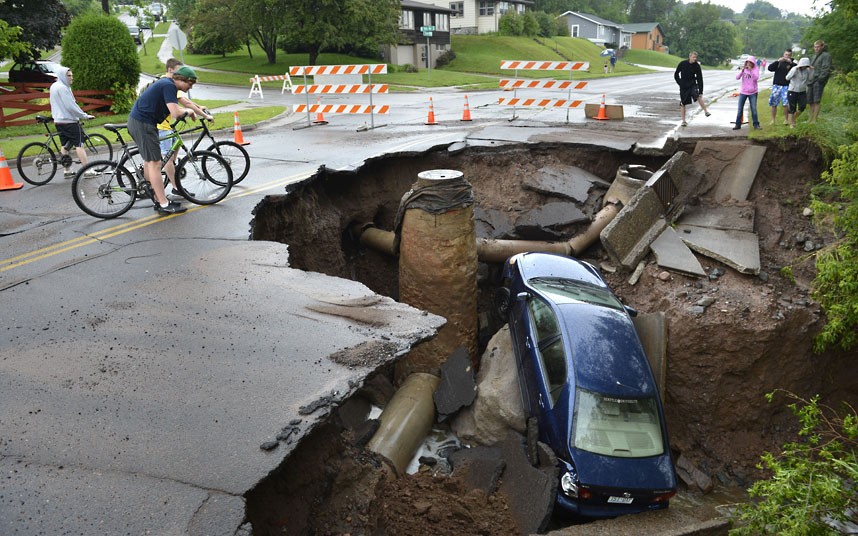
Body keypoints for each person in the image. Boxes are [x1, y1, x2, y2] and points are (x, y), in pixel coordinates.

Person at [127, 65, 199, 215]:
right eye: (189, 84)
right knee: (155, 164)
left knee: (149, 162)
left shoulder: (166, 84)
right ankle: (164, 204)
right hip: (143, 124)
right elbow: (175, 113)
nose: (190, 88)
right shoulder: (169, 86)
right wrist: (189, 111)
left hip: (141, 122)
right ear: (181, 79)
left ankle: (157, 198)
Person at [157, 58, 213, 201]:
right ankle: (177, 189)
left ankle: (172, 175)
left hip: (167, 124)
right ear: (171, 70)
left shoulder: (168, 83)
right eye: (178, 71)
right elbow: (185, 102)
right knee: (167, 159)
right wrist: (203, 115)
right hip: (161, 126)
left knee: (174, 151)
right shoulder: (169, 84)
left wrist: (199, 108)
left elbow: (184, 103)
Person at [49, 66, 95, 178]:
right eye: (68, 76)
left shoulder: (54, 86)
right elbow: (71, 106)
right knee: (79, 144)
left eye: (71, 75)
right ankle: (87, 170)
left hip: (58, 121)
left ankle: (67, 170)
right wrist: (84, 115)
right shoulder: (63, 88)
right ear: (62, 76)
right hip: (69, 121)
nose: (71, 78)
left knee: (65, 146)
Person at [674, 51, 711, 127]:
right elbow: (676, 74)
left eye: (696, 57)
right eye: (693, 57)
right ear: (690, 57)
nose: (695, 59)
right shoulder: (682, 64)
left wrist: (701, 90)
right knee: (683, 103)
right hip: (684, 86)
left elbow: (700, 78)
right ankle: (684, 121)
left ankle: (706, 111)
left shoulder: (696, 66)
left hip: (692, 84)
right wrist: (680, 82)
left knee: (697, 95)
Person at [767, 49, 795, 125]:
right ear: (783, 55)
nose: (787, 57)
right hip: (777, 85)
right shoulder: (779, 62)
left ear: (791, 56)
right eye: (786, 55)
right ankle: (773, 120)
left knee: (785, 104)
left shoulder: (792, 64)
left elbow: (796, 69)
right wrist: (777, 61)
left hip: (786, 86)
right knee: (774, 103)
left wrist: (790, 62)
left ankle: (786, 120)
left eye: (789, 55)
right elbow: (770, 68)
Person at [733, 56, 761, 130]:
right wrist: (742, 71)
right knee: (740, 109)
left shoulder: (755, 69)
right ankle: (738, 124)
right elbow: (737, 78)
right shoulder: (744, 70)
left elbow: (756, 78)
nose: (749, 64)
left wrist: (751, 70)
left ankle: (756, 125)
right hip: (743, 92)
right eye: (748, 62)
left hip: (753, 92)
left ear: (753, 63)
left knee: (753, 109)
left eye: (750, 63)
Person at [807, 40, 832, 123]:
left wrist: (820, 79)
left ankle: (814, 120)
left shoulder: (826, 55)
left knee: (816, 100)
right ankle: (809, 119)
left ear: (822, 47)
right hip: (811, 80)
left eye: (818, 47)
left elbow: (826, 68)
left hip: (818, 81)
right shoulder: (814, 56)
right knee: (810, 101)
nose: (816, 48)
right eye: (815, 47)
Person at [785, 57, 812, 129]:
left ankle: (793, 119)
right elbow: (787, 78)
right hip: (792, 90)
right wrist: (794, 72)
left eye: (806, 66)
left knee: (802, 106)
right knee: (792, 108)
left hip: (802, 91)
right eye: (803, 65)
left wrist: (812, 71)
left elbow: (810, 80)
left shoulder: (807, 71)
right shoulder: (794, 69)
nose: (804, 67)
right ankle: (791, 124)